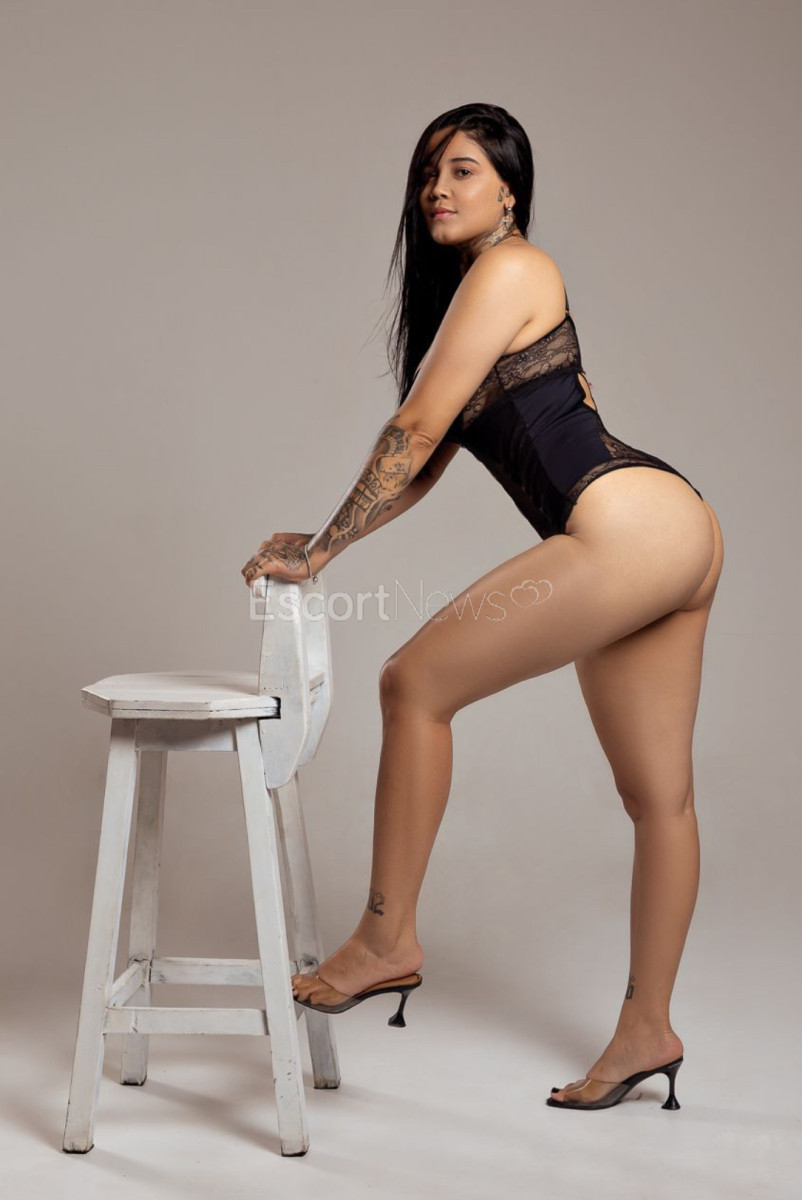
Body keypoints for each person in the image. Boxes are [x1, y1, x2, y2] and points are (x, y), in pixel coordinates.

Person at [241, 103, 724, 1112]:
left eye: (462, 169)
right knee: (659, 801)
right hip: (670, 530)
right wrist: (323, 541)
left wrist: (320, 553)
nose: (437, 188)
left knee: (413, 684)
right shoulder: (485, 294)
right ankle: (647, 1030)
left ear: (509, 189)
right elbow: (429, 458)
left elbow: (414, 428)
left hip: (625, 525)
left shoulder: (510, 268)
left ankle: (386, 937)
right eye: (428, 172)